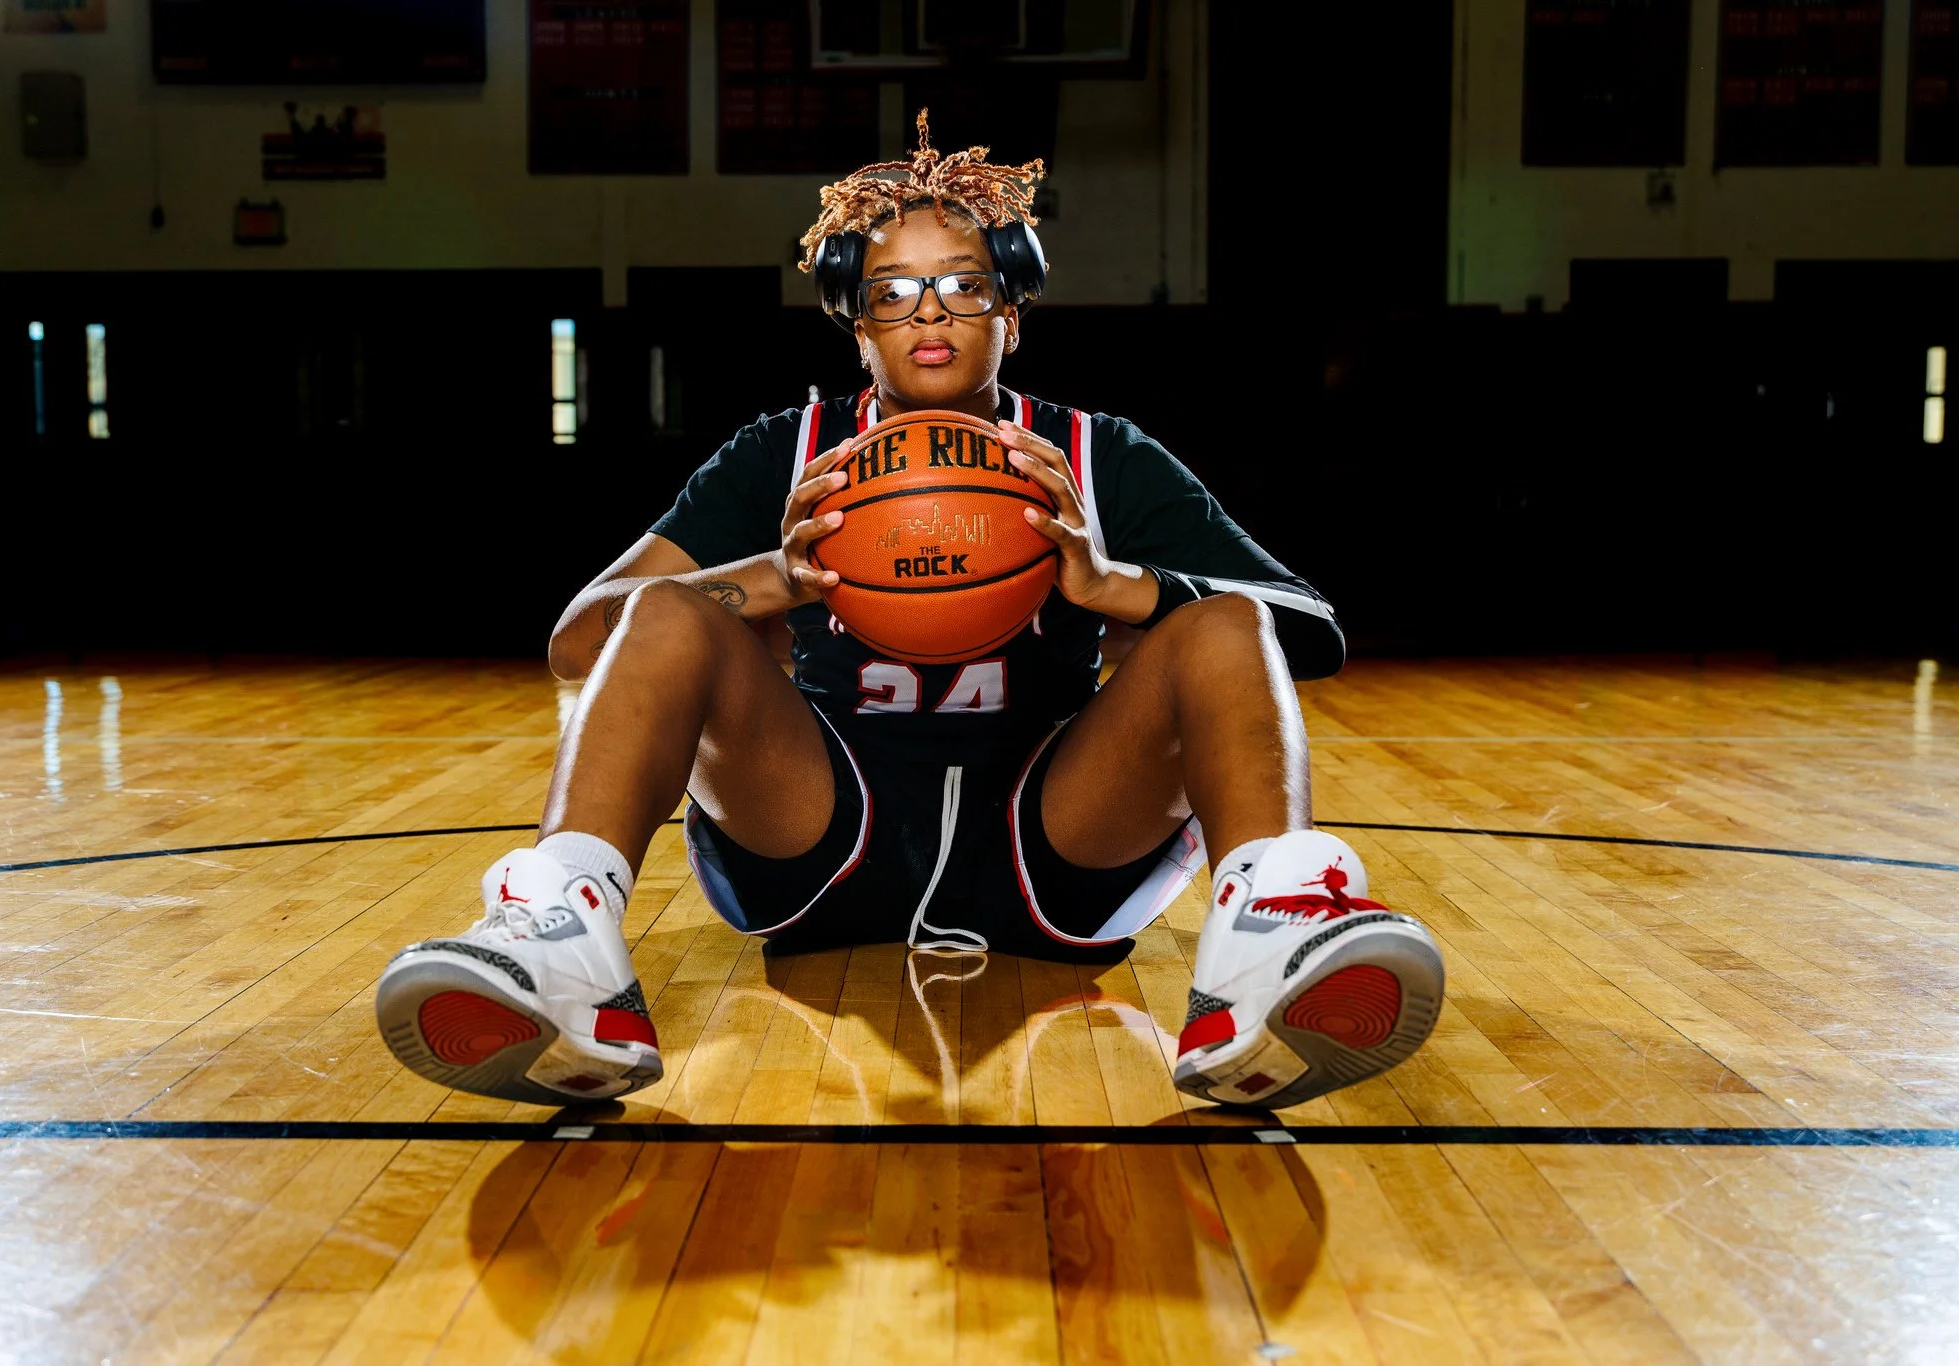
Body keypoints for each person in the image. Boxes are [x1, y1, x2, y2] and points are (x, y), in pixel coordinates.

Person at [374, 114, 1444, 1111]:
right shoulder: (782, 454)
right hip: (820, 830)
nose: (929, 311)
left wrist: (1117, 587)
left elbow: (1306, 626)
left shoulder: (1097, 456)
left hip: (1055, 836)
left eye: (963, 285)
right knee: (664, 610)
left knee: (1223, 622)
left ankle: (1264, 952)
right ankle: (558, 947)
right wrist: (770, 578)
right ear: (856, 329)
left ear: (1010, 315)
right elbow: (579, 639)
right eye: (892, 292)